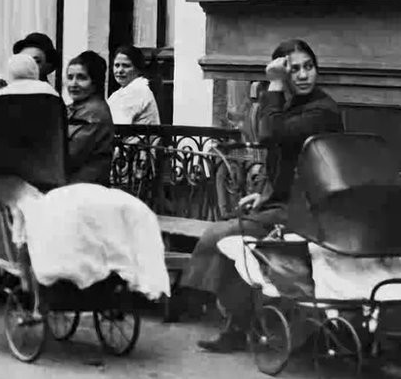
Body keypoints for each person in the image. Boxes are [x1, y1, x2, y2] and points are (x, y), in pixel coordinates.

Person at [181, 39, 343, 353]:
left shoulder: (323, 110)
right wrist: (263, 195)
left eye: (308, 67)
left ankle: (202, 306)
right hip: (287, 204)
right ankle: (235, 323)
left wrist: (274, 83)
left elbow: (271, 134)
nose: (303, 75)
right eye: (293, 69)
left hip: (309, 212)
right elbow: (286, 162)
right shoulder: (293, 107)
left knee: (224, 235)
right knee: (229, 234)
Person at [65, 51, 114, 186]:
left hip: (85, 189)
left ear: (94, 82)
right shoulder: (73, 108)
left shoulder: (94, 113)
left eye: (81, 78)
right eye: (70, 77)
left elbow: (70, 154)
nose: (73, 84)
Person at [106, 45, 161, 125]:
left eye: (126, 66)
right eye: (117, 65)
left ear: (138, 69)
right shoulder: (120, 93)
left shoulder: (137, 91)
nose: (120, 70)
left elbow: (117, 127)